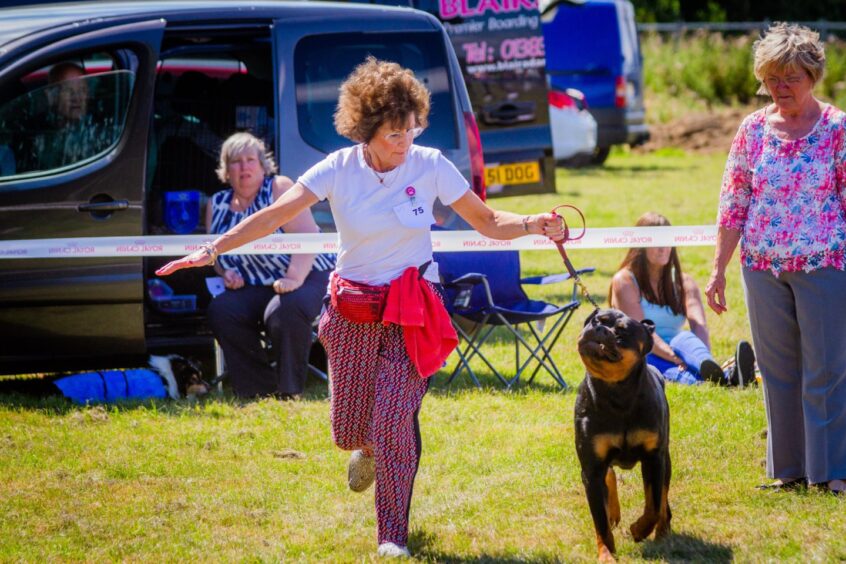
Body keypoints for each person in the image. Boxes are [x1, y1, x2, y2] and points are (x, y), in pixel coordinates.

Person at [157, 56, 566, 557]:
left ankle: (391, 535)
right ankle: (365, 446)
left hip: (411, 306)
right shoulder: (338, 169)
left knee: (394, 421)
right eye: (395, 134)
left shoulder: (431, 164)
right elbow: (272, 217)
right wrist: (214, 249)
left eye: (411, 130)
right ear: (365, 131)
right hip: (351, 308)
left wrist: (531, 222)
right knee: (350, 429)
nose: (406, 142)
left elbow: (486, 220)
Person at [705, 23, 846, 494]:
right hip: (762, 267)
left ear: (814, 77)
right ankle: (789, 471)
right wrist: (719, 268)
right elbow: (734, 199)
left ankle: (830, 472)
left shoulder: (837, 129)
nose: (781, 88)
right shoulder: (752, 130)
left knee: (824, 371)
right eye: (772, 79)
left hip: (824, 264)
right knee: (778, 371)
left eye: (792, 78)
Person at [205, 132, 335, 400]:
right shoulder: (216, 203)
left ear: (263, 165)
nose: (244, 167)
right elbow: (215, 253)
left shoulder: (279, 188)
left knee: (284, 309)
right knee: (221, 309)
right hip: (257, 284)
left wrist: (294, 278)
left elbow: (307, 237)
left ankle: (290, 390)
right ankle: (258, 388)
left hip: (308, 273)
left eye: (250, 159)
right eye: (236, 161)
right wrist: (225, 273)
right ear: (226, 170)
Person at [610, 212, 755, 386]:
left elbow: (699, 326)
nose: (663, 248)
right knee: (671, 370)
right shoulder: (624, 281)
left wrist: (699, 357)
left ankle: (711, 370)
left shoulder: (684, 281)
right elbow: (642, 333)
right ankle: (728, 378)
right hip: (644, 350)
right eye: (656, 243)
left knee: (685, 339)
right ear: (640, 246)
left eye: (667, 241)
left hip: (681, 347)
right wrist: (675, 358)